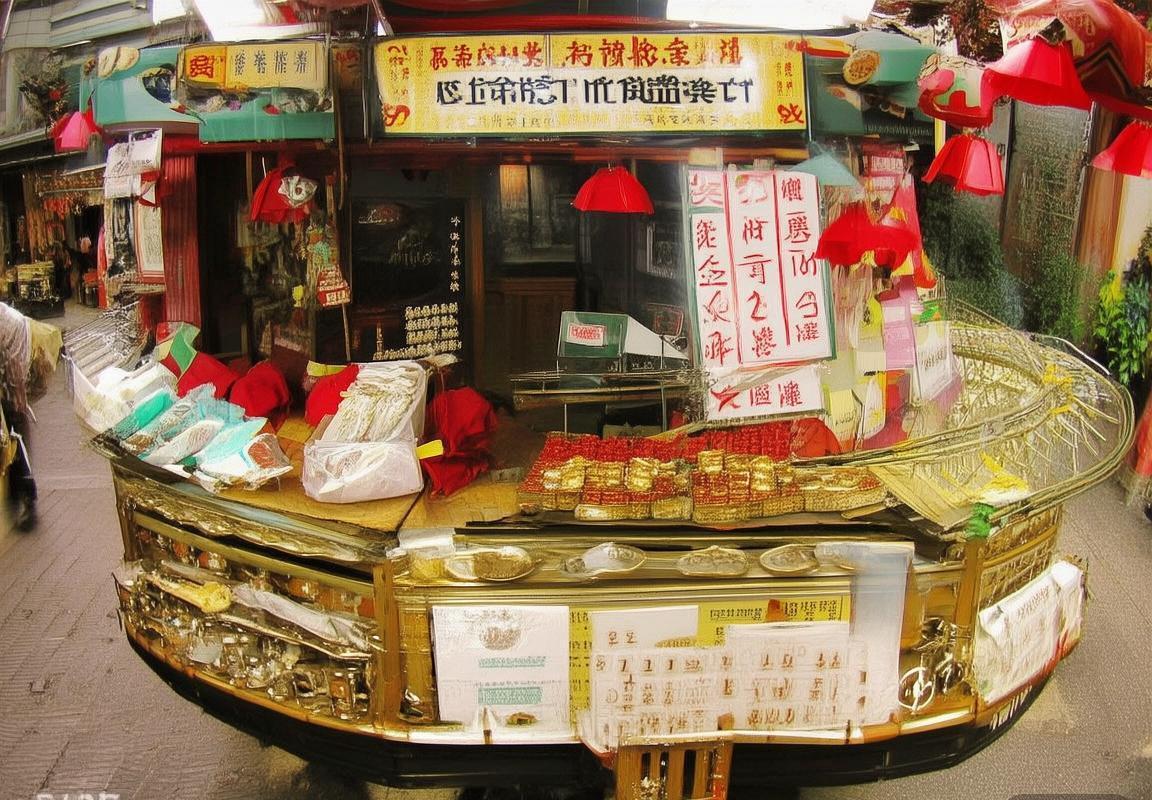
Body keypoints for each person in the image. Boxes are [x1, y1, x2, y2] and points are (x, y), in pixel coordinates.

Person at [0, 301, 61, 530]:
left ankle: (28, 500)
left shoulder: (5, 330)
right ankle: (16, 498)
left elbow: (12, 362)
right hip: (10, 366)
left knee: (16, 436)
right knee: (12, 436)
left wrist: (18, 399)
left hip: (16, 364)